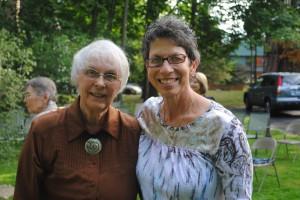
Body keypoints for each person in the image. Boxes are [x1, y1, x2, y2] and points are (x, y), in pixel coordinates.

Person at [136, 15, 253, 199]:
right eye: (156, 60)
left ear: (193, 65)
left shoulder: (225, 128)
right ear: (147, 66)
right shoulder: (148, 115)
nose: (166, 69)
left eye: (176, 58)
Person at [14, 40, 141, 200]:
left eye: (110, 76)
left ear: (120, 84)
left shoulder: (133, 132)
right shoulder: (44, 130)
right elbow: (25, 194)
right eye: (92, 73)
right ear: (77, 77)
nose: (100, 83)